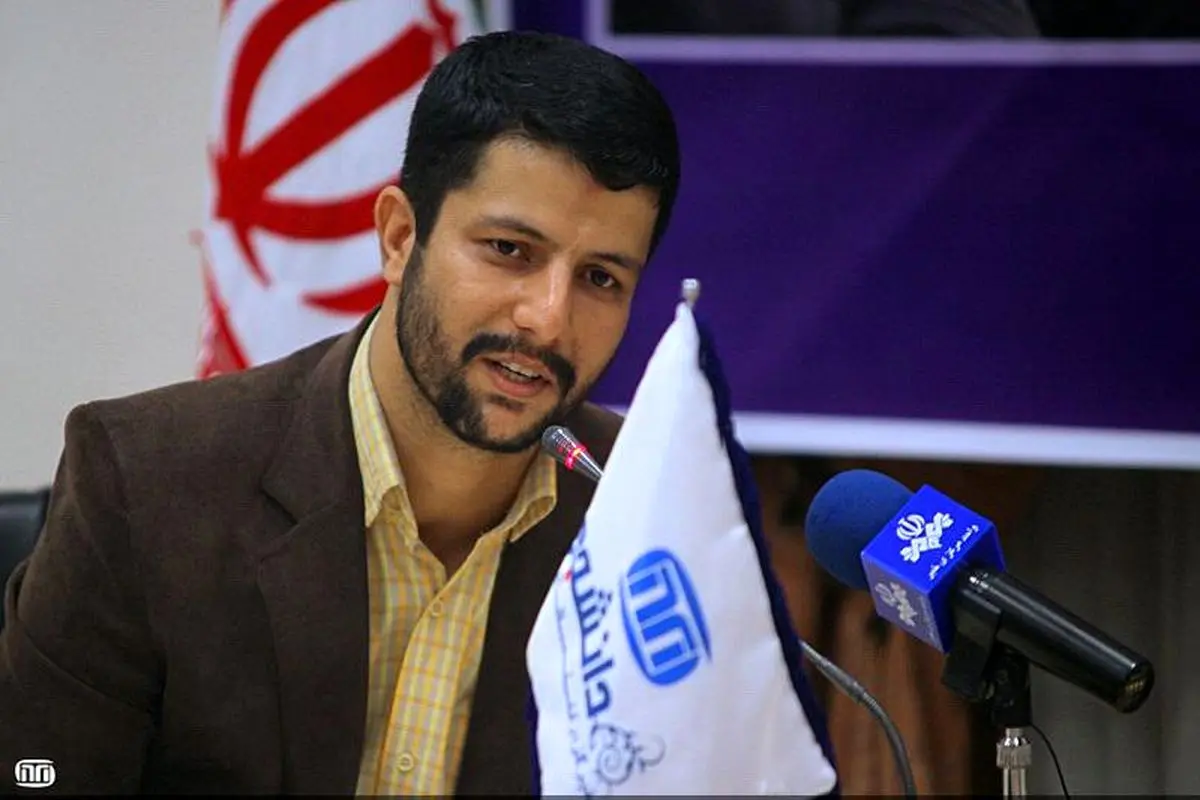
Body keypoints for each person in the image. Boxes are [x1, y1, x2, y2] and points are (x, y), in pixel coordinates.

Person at [0, 30, 680, 795]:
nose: (549, 320)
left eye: (600, 278)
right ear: (399, 237)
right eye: (509, 250)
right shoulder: (145, 481)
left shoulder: (654, 519)